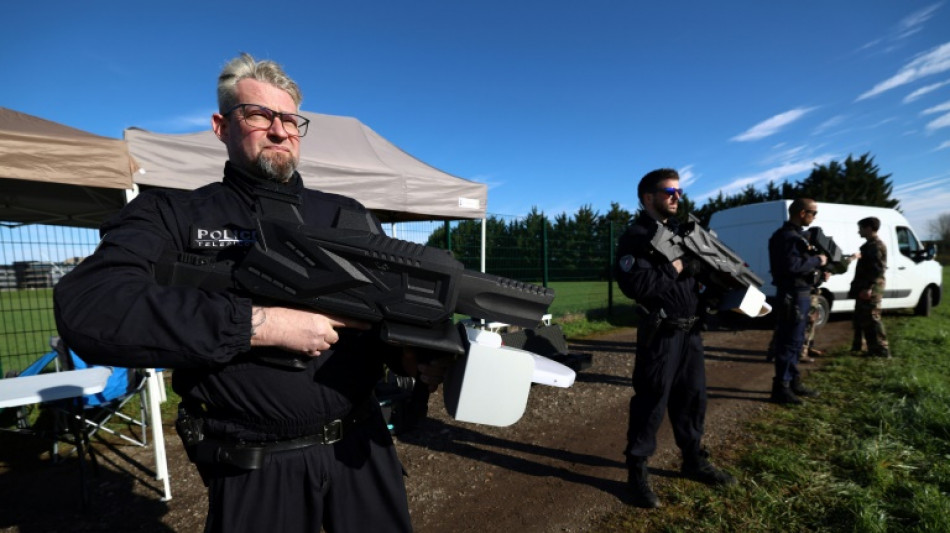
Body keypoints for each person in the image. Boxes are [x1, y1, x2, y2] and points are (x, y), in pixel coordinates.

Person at [54, 53, 444, 533]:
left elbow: (385, 319)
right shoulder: (173, 215)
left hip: (363, 454)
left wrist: (413, 357)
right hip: (256, 470)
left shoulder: (349, 216)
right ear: (221, 126)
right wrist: (262, 325)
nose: (279, 131)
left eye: (290, 120)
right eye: (259, 115)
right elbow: (91, 306)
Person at [615, 168, 735, 509]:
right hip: (662, 334)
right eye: (669, 191)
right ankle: (636, 472)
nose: (676, 197)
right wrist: (680, 266)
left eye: (679, 191)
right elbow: (638, 286)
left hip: (691, 331)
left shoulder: (680, 234)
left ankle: (693, 460)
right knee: (651, 402)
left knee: (693, 400)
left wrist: (711, 288)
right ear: (647, 197)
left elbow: (700, 279)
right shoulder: (637, 237)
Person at [767, 199, 827, 405]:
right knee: (788, 342)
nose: (814, 216)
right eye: (813, 212)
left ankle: (792, 381)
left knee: (796, 341)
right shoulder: (786, 237)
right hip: (792, 296)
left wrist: (817, 272)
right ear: (802, 213)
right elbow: (791, 266)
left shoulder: (796, 236)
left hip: (799, 294)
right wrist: (817, 260)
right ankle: (781, 388)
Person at [849, 217, 890, 357]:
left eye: (860, 228)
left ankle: (882, 349)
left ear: (869, 228)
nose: (858, 231)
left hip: (870, 288)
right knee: (863, 318)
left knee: (873, 318)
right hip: (864, 287)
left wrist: (869, 287)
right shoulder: (868, 246)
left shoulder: (876, 246)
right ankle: (870, 349)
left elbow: (878, 269)